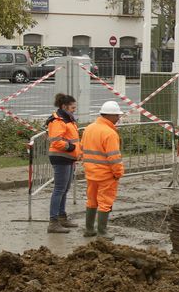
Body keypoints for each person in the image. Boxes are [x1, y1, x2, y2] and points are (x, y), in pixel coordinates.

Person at [80, 99, 125, 241]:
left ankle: (89, 229)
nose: (118, 118)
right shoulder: (110, 133)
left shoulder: (89, 128)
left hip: (91, 173)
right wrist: (118, 173)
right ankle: (102, 231)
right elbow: (114, 158)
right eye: (117, 115)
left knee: (91, 200)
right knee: (105, 202)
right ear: (109, 116)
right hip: (106, 175)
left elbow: (82, 149)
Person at [44, 92, 79, 234]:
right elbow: (56, 140)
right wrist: (70, 147)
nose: (74, 109)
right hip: (61, 156)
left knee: (64, 189)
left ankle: (61, 217)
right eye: (72, 107)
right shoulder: (58, 121)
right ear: (64, 106)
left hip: (68, 157)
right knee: (59, 189)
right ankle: (53, 222)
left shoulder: (67, 119)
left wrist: (75, 152)